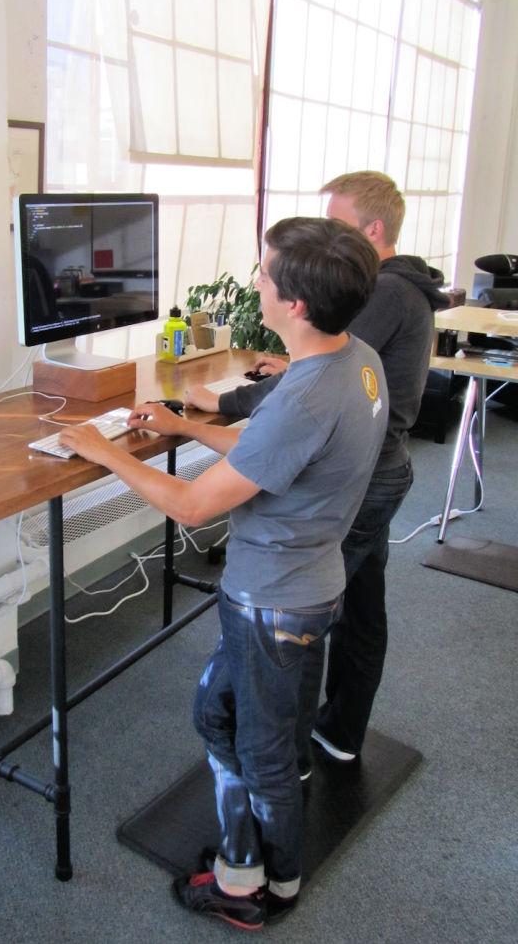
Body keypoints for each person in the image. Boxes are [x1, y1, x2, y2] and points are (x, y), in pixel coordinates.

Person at [60, 217, 387, 931]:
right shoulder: (354, 357)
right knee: (230, 718)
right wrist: (183, 428)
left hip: (273, 602)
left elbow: (189, 504)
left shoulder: (305, 394)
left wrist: (105, 451)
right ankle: (249, 859)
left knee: (252, 742)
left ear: (294, 304)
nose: (257, 282)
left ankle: (262, 886)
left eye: (265, 274)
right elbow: (269, 446)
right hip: (309, 581)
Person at [186, 171, 447, 767]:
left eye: (336, 223)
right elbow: (318, 367)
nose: (325, 236)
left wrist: (225, 403)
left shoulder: (381, 294)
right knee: (357, 608)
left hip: (355, 479)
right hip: (380, 470)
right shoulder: (394, 295)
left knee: (303, 624)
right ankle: (337, 731)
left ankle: (284, 753)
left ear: (372, 231)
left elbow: (309, 385)